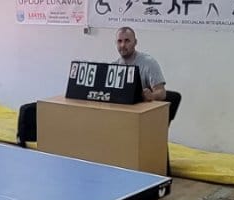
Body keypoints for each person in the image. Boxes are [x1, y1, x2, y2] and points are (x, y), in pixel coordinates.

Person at [15, 27, 172, 146]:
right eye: (119, 41)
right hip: (119, 117)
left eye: (127, 41)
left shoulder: (148, 63)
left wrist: (151, 95)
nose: (123, 45)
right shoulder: (114, 66)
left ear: (135, 42)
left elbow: (162, 92)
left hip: (139, 121)